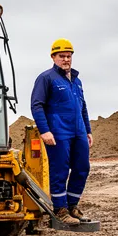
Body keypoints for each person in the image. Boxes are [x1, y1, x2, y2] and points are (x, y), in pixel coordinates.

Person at [30, 38, 93, 225]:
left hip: (78, 131)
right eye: (62, 56)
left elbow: (83, 107)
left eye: (69, 56)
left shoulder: (77, 81)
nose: (66, 59)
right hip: (58, 133)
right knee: (60, 170)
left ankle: (72, 206)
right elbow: (37, 105)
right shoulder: (46, 78)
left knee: (82, 167)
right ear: (53, 57)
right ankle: (60, 209)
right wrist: (45, 130)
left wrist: (88, 130)